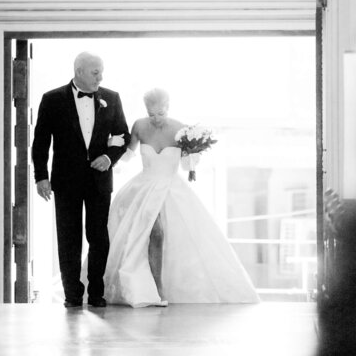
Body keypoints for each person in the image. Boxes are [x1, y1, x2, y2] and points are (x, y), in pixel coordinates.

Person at [104, 88, 260, 307]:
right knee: (151, 232)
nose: (156, 118)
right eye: (151, 114)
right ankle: (149, 287)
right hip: (144, 186)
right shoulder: (139, 125)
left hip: (170, 187)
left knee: (170, 235)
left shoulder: (181, 129)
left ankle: (161, 288)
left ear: (168, 108)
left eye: (160, 113)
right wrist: (112, 146)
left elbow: (187, 166)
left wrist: (194, 154)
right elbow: (129, 156)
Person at [32, 51, 130, 308]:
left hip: (99, 181)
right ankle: (72, 295)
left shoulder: (112, 98)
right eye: (95, 72)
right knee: (68, 238)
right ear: (78, 72)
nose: (101, 76)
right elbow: (40, 142)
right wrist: (40, 176)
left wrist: (109, 158)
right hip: (65, 181)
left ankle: (97, 293)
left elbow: (123, 136)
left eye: (101, 71)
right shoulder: (52, 99)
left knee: (98, 237)